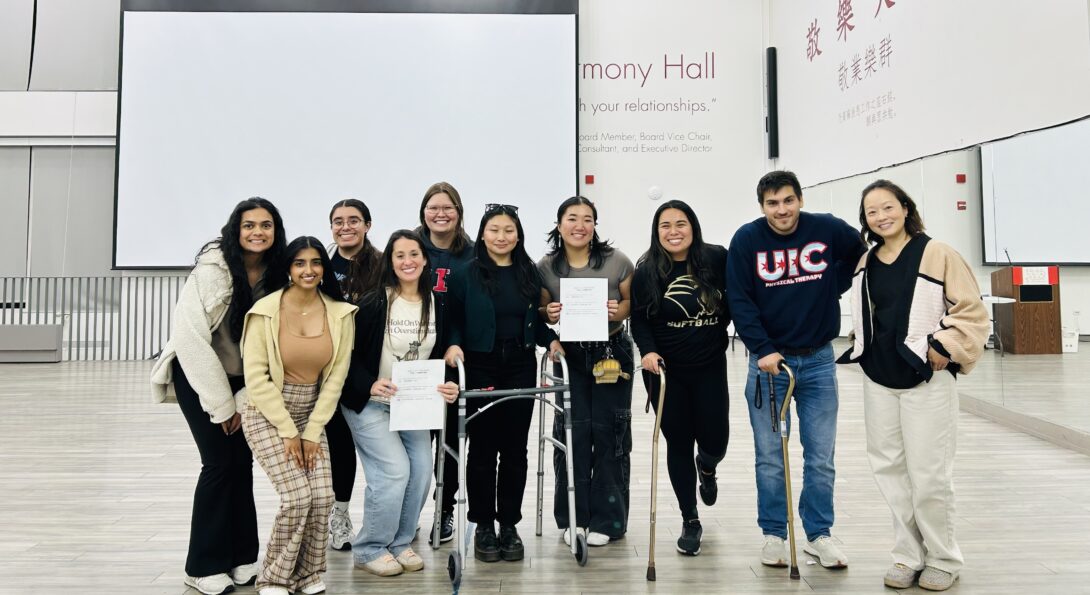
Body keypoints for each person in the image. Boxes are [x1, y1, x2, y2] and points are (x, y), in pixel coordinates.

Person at [838, 180, 988, 591]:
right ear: (865, 220)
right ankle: (908, 554)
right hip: (878, 377)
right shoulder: (866, 261)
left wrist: (945, 345)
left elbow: (971, 310)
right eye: (872, 212)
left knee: (929, 475)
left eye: (888, 207)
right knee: (889, 470)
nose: (881, 216)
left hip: (926, 378)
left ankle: (943, 557)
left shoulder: (936, 252)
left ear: (905, 208)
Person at [726, 170, 866, 570]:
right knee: (770, 456)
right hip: (771, 364)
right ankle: (774, 533)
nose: (781, 209)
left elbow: (858, 257)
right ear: (762, 206)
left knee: (821, 456)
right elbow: (740, 299)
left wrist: (830, 285)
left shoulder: (825, 228)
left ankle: (818, 534)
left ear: (800, 200)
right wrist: (763, 349)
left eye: (788, 200)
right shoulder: (747, 240)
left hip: (820, 362)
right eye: (772, 203)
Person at [151, 197, 287, 595]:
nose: (257, 232)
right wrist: (223, 405)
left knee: (241, 464)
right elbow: (190, 340)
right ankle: (202, 564)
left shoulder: (277, 274)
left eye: (266, 225)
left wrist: (245, 398)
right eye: (249, 225)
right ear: (235, 230)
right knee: (217, 464)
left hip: (245, 382)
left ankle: (242, 557)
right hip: (199, 378)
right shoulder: (212, 271)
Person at [443, 204, 563, 563]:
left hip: (520, 364)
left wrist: (550, 339)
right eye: (495, 230)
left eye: (509, 230)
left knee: (514, 450)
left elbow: (532, 320)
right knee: (482, 450)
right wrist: (452, 342)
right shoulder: (465, 274)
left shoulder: (528, 272)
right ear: (482, 234)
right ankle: (482, 525)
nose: (502, 237)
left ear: (518, 235)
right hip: (479, 365)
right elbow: (453, 319)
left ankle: (509, 523)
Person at [339, 230, 460, 576]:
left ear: (425, 260)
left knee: (421, 473)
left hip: (414, 404)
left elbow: (443, 350)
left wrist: (448, 383)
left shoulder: (440, 302)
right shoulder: (375, 302)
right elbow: (345, 356)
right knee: (394, 471)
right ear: (390, 262)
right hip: (372, 401)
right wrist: (369, 384)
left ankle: (399, 542)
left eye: (414, 254)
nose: (408, 261)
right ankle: (370, 547)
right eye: (399, 255)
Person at [241, 236, 356, 595]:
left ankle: (306, 575)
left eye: (316, 262)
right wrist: (290, 431)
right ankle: (274, 578)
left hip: (313, 413)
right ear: (288, 268)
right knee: (296, 497)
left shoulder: (340, 313)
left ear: (324, 268)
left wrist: (310, 432)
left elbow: (335, 379)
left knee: (322, 497)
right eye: (300, 263)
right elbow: (256, 378)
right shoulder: (264, 310)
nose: (309, 270)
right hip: (267, 411)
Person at [631, 199, 730, 556]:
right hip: (666, 372)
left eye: (680, 224)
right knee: (678, 441)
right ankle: (690, 519)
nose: (674, 232)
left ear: (693, 226)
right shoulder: (647, 270)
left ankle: (707, 466)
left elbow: (735, 300)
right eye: (665, 226)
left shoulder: (717, 258)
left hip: (709, 366)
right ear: (657, 233)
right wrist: (647, 351)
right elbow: (640, 319)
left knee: (716, 439)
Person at [537, 196, 635, 547]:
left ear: (595, 225)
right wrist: (548, 313)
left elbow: (628, 304)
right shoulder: (546, 266)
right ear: (559, 223)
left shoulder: (617, 261)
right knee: (572, 434)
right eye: (572, 218)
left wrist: (617, 311)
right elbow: (541, 308)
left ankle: (609, 519)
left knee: (611, 434)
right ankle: (572, 517)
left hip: (612, 351)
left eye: (588, 219)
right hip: (572, 355)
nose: (580, 225)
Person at [414, 182, 475, 544]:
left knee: (451, 440)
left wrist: (456, 344)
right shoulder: (409, 247)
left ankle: (445, 508)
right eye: (433, 207)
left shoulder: (472, 253)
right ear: (423, 212)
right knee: (415, 440)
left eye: (448, 207)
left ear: (458, 211)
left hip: (455, 358)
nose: (441, 213)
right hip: (414, 359)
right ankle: (408, 512)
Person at [325, 199, 382, 550]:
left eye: (354, 220)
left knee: (382, 454)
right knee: (339, 448)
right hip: (331, 373)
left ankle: (388, 517)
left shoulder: (381, 264)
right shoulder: (320, 264)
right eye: (338, 221)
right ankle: (340, 515)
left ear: (367, 225)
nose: (345, 227)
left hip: (373, 372)